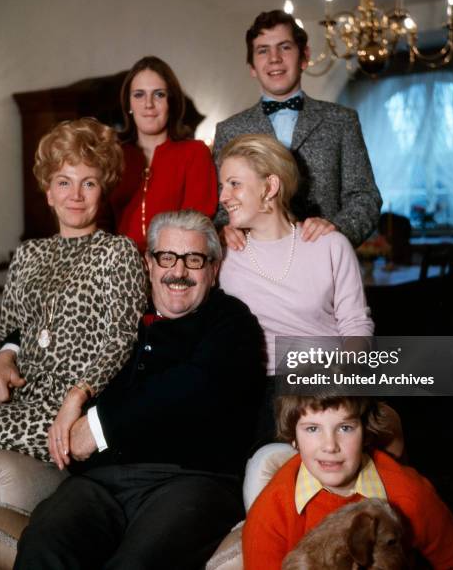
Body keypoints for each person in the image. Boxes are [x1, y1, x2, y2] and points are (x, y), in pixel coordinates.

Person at [0, 118, 146, 556]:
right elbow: (6, 330)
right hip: (19, 399)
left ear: (104, 189)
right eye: (64, 181)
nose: (75, 195)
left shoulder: (118, 253)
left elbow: (121, 339)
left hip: (61, 412)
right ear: (48, 190)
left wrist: (76, 399)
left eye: (88, 183)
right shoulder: (28, 253)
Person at [14, 210, 266, 570]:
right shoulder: (122, 314)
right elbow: (40, 322)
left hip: (191, 482)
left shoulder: (231, 321)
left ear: (213, 269)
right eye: (166, 258)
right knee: (43, 547)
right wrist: (5, 353)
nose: (178, 272)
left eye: (193, 260)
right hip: (98, 484)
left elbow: (191, 387)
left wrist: (98, 427)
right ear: (149, 264)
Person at [218, 134, 375, 441]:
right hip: (261, 391)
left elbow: (356, 324)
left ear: (270, 187)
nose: (223, 196)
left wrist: (342, 379)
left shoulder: (329, 243)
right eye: (222, 185)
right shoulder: (222, 253)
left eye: (234, 183)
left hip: (329, 380)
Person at [242, 394, 453, 569]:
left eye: (345, 427)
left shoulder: (409, 494)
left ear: (366, 433)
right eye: (312, 429)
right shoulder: (270, 511)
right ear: (293, 439)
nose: (329, 446)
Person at [213, 9, 381, 249]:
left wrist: (337, 231)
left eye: (284, 47)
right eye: (263, 50)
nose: (274, 58)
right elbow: (219, 208)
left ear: (304, 56)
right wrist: (223, 231)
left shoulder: (342, 121)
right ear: (251, 66)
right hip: (253, 264)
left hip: (323, 261)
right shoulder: (229, 130)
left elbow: (365, 198)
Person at [109, 56, 218, 252]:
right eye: (139, 95)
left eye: (158, 94)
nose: (148, 104)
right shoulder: (113, 156)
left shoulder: (195, 153)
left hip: (175, 263)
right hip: (119, 267)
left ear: (172, 101)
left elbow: (197, 225)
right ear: (128, 104)